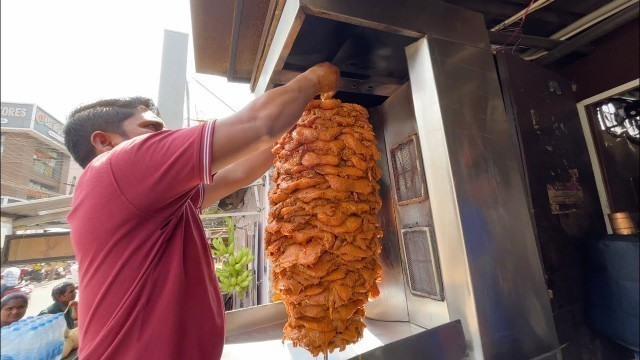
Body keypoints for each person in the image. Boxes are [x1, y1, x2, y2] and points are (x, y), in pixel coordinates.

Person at [63, 62, 339, 359]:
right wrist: (314, 80)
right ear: (105, 141)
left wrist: (297, 123)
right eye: (151, 128)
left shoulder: (145, 201)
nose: (164, 135)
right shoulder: (117, 167)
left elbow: (237, 174)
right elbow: (259, 125)